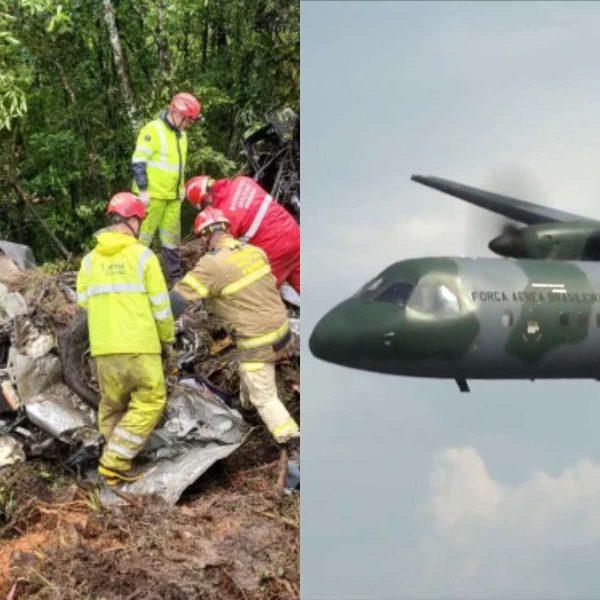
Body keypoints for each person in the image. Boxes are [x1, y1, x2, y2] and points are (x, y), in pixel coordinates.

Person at [170, 207, 300, 455]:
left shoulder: (211, 265)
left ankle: (293, 443)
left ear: (205, 237)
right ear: (227, 229)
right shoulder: (255, 251)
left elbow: (177, 301)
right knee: (249, 375)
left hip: (257, 341)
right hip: (283, 331)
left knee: (265, 397)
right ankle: (245, 409)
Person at [76, 192, 175, 485]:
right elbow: (161, 306)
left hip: (104, 349)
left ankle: (118, 460)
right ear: (132, 220)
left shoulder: (89, 261)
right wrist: (167, 340)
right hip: (139, 346)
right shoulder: (143, 257)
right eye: (140, 220)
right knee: (150, 400)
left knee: (113, 405)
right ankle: (115, 461)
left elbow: (83, 302)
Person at [184, 175, 300, 296]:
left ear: (206, 199)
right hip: (294, 233)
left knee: (258, 298)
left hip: (275, 250)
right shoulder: (242, 181)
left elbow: (224, 251)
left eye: (202, 206)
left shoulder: (224, 215)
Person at [131, 92, 202, 283]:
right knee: (142, 238)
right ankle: (133, 278)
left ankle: (174, 276)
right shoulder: (152, 130)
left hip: (172, 197)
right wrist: (143, 190)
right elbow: (138, 161)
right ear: (178, 115)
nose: (190, 125)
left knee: (171, 238)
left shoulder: (182, 135)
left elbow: (177, 166)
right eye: (189, 120)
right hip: (151, 197)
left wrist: (182, 189)